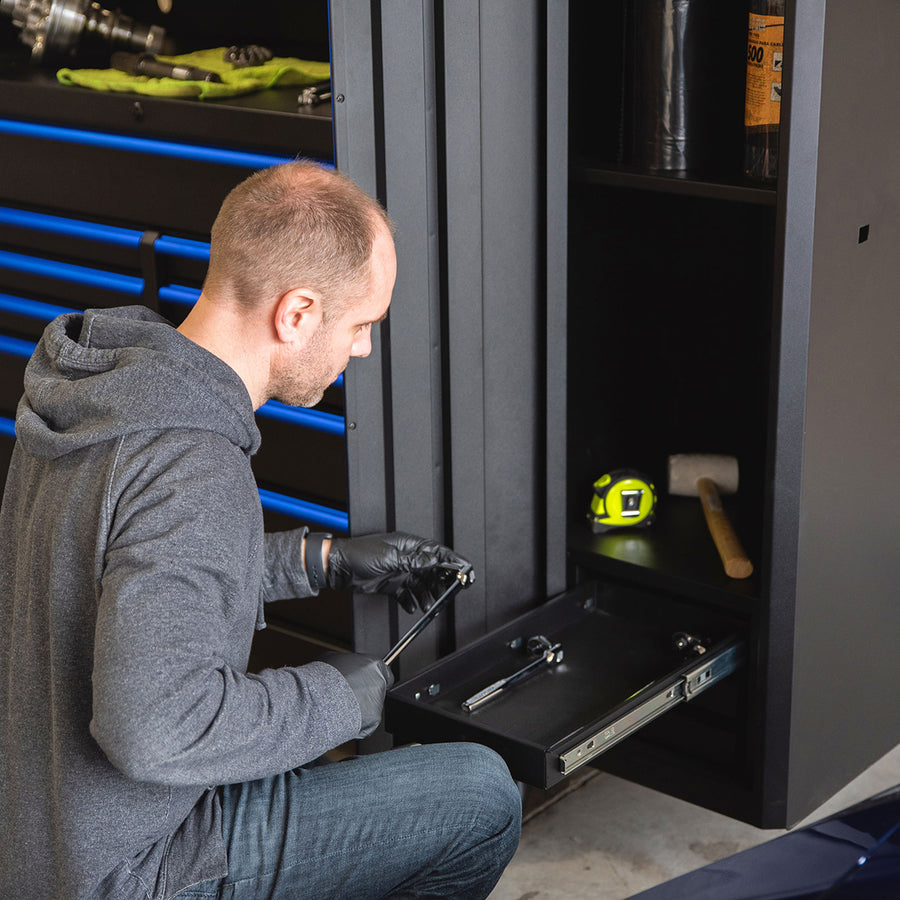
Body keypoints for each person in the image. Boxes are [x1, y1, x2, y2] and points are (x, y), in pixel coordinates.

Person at [0, 161, 521, 900]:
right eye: (362, 324)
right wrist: (332, 701)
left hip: (40, 842)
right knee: (481, 796)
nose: (363, 349)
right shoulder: (196, 464)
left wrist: (321, 561)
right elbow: (155, 729)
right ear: (299, 312)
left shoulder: (103, 393)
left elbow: (120, 568)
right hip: (140, 868)